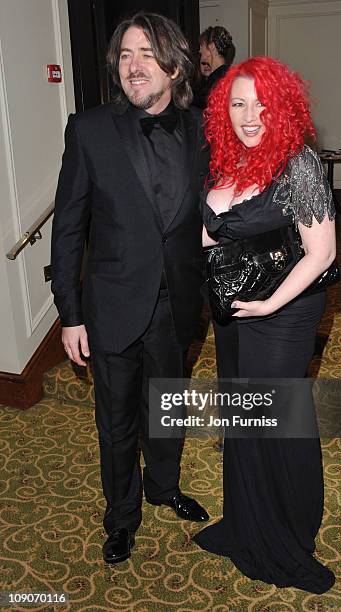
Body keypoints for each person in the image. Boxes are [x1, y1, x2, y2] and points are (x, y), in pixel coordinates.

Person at [51, 11, 210, 565]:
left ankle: (163, 486)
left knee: (168, 410)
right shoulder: (89, 130)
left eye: (145, 53)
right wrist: (70, 315)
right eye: (124, 55)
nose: (133, 65)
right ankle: (121, 516)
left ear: (174, 63)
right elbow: (68, 227)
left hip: (177, 307)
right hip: (112, 308)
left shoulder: (202, 130)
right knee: (116, 424)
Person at [192, 57, 336, 594]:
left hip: (282, 314)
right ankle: (247, 522)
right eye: (238, 103)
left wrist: (271, 303)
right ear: (223, 109)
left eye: (262, 104)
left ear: (283, 108)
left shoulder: (298, 163)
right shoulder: (223, 161)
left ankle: (286, 534)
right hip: (233, 314)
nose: (249, 115)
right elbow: (212, 236)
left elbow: (321, 253)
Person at [192, 26, 235, 109]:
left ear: (212, 48)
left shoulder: (218, 80)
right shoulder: (225, 75)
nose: (199, 50)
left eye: (202, 45)